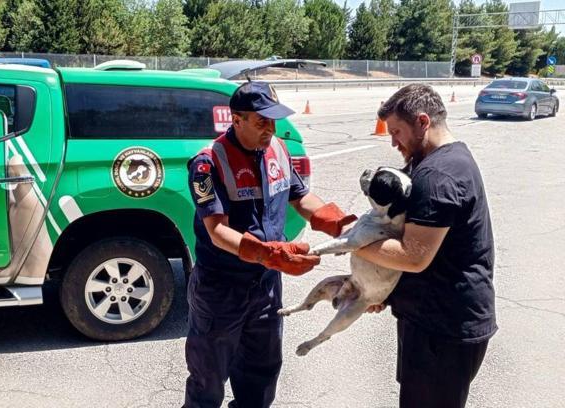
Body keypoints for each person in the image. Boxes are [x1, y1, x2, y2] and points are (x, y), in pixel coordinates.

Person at [183, 81, 356, 408]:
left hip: (266, 287)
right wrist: (268, 253)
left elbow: (300, 196)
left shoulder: (277, 149)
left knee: (261, 376)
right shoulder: (208, 164)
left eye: (274, 120)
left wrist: (334, 220)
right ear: (237, 120)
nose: (271, 129)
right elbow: (217, 230)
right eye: (262, 121)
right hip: (221, 289)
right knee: (207, 382)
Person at [356, 84, 497, 408]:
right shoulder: (445, 158)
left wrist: (353, 244)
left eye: (397, 131)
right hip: (434, 320)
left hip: (443, 329)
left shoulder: (439, 174)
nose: (393, 142)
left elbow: (413, 255)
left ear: (422, 121)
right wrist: (387, 292)